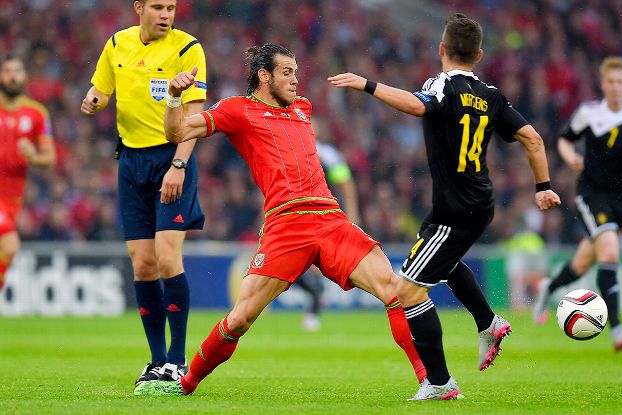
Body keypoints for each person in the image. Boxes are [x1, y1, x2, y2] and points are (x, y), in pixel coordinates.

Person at [133, 43, 426, 397]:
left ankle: (430, 382)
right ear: (264, 76)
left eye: (297, 73)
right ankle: (186, 383)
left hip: (330, 219)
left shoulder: (303, 108)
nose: (295, 81)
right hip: (286, 225)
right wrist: (175, 98)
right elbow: (177, 133)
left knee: (394, 290)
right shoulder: (237, 110)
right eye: (287, 73)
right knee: (239, 319)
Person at [329, 13, 561, 400]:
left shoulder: (440, 86)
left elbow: (418, 106)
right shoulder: (490, 94)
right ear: (479, 55)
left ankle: (440, 382)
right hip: (475, 201)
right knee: (445, 261)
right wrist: (544, 187)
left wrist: (367, 84)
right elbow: (533, 139)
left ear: (441, 49)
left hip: (456, 208)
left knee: (407, 292)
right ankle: (488, 322)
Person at [80, 0, 207, 386]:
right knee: (143, 264)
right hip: (130, 161)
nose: (166, 14)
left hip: (172, 159)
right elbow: (100, 89)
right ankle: (155, 361)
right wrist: (93, 101)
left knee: (168, 257)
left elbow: (195, 114)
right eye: (158, 7)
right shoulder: (116, 44)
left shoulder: (187, 48)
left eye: (171, 7)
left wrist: (179, 166)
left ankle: (178, 359)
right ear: (139, 8)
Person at [532, 57, 622, 352]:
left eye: (621, 82)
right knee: (610, 251)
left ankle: (548, 287)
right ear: (603, 84)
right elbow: (565, 141)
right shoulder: (589, 113)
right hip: (591, 193)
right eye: (611, 82)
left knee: (582, 262)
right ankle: (616, 328)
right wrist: (571, 159)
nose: (616, 87)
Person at [0, 54, 56, 291]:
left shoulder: (37, 114)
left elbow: (50, 158)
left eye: (18, 71)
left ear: (25, 76)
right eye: (7, 71)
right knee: (11, 245)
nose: (13, 76)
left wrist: (33, 156)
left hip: (13, 198)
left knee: (6, 251)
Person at [294, 139, 361, 331]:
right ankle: (315, 295)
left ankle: (314, 304)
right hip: (295, 216)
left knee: (317, 262)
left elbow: (345, 182)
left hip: (324, 216)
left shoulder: (327, 154)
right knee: (292, 267)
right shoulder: (290, 151)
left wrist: (353, 213)